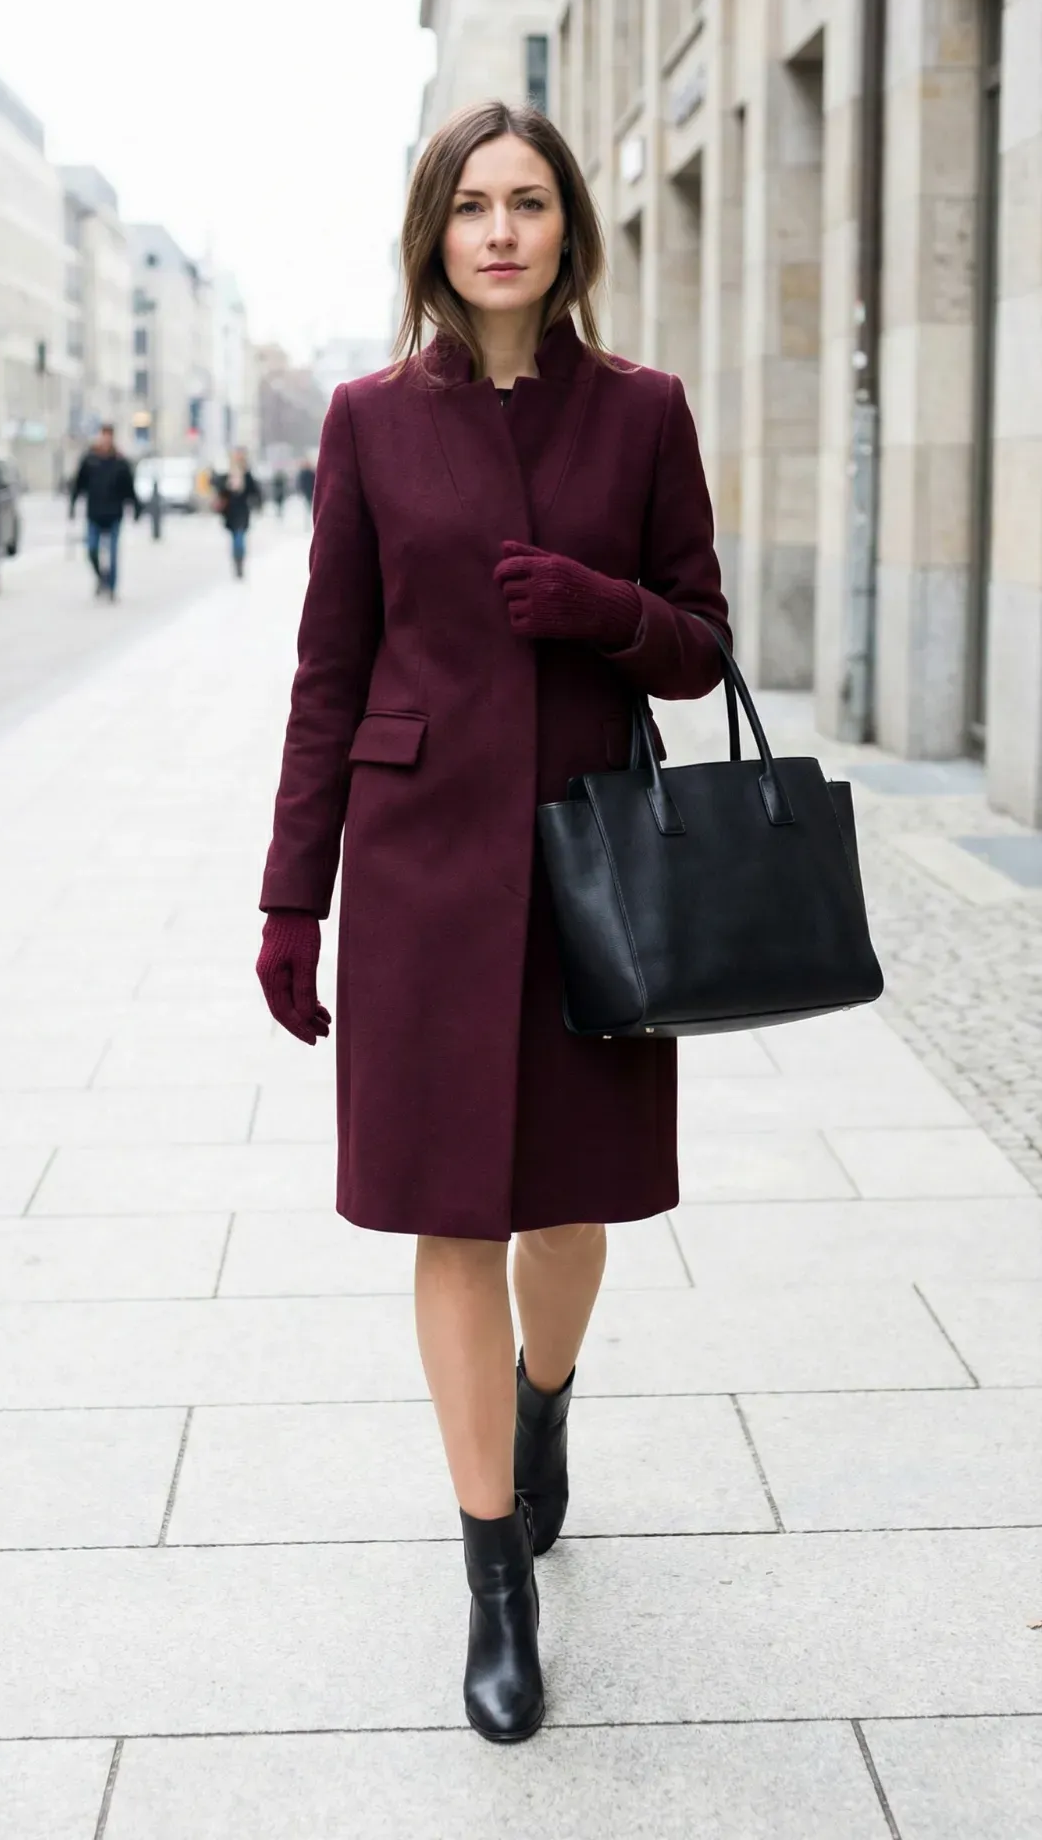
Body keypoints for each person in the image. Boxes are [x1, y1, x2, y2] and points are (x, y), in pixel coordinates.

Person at [255, 100, 731, 1743]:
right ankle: (496, 1585)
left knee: (568, 1206)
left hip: (592, 866)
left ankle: (547, 1403)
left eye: (530, 203)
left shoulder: (647, 415)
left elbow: (700, 642)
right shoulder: (371, 424)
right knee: (452, 1215)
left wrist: (601, 609)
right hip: (422, 874)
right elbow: (329, 672)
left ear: (570, 229)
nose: (503, 231)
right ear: (435, 235)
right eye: (474, 207)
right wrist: (285, 899)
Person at [68, 425, 138, 601]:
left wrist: (136, 507)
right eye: (103, 436)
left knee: (113, 554)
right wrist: (72, 505)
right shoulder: (90, 460)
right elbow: (79, 485)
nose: (105, 440)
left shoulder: (120, 462)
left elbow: (129, 488)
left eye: (109, 437)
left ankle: (112, 588)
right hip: (94, 514)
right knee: (91, 549)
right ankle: (101, 577)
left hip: (114, 514)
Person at [213, 449, 261, 578]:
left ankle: (239, 562)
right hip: (230, 512)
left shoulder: (247, 475)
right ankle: (236, 561)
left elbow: (255, 492)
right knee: (235, 537)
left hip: (242, 512)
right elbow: (219, 490)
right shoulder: (226, 475)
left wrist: (256, 502)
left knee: (239, 538)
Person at [295, 457, 314, 524]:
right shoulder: (303, 473)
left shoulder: (311, 473)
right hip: (307, 491)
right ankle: (307, 520)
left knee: (310, 505)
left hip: (311, 491)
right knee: (307, 505)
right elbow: (300, 482)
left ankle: (309, 519)